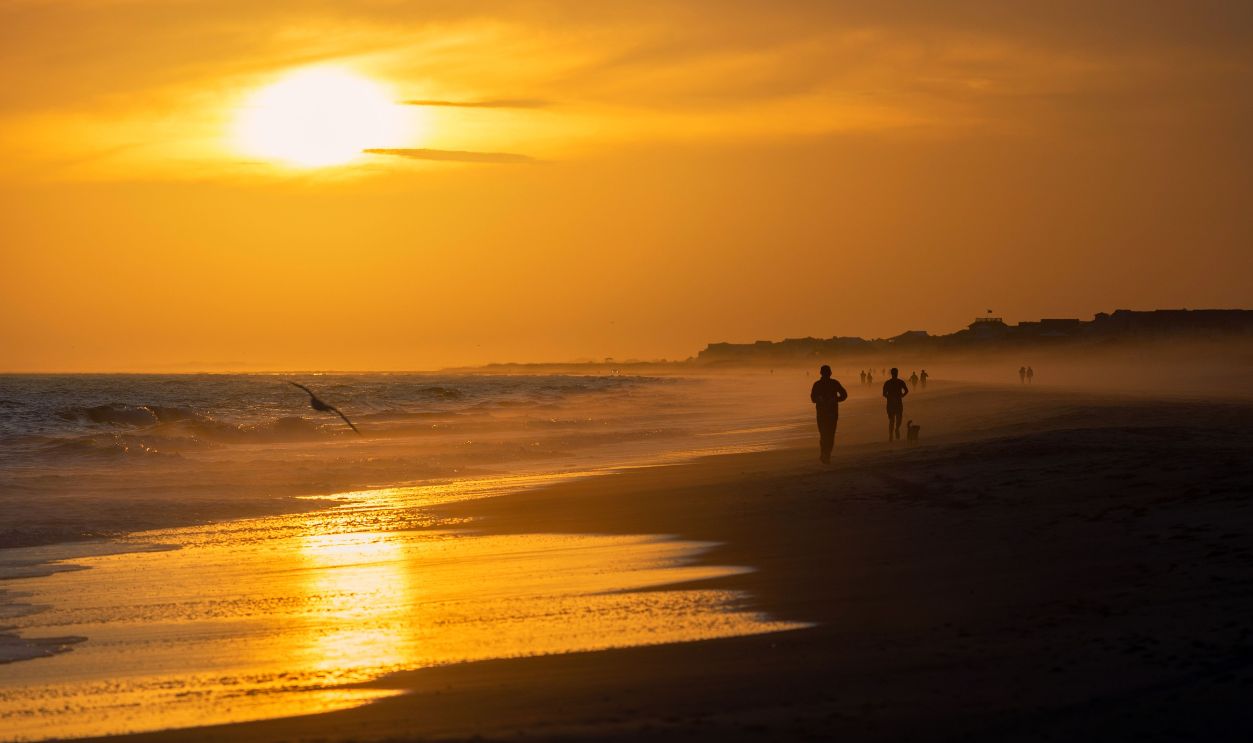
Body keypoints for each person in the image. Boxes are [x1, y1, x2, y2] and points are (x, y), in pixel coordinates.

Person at [809, 365, 848, 463]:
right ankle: (826, 454)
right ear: (830, 373)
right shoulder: (833, 383)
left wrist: (834, 399)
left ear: (821, 373)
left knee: (824, 434)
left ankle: (825, 454)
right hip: (830, 413)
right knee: (829, 435)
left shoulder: (818, 384)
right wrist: (835, 399)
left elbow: (813, 399)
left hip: (824, 414)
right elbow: (844, 395)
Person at [882, 367, 909, 441]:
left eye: (895, 373)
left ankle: (895, 431)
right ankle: (892, 433)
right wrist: (896, 397)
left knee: (895, 420)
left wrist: (901, 396)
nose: (895, 374)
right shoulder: (892, 382)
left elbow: (906, 390)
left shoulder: (895, 382)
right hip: (893, 404)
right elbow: (884, 394)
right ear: (893, 373)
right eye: (894, 373)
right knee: (894, 420)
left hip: (894, 404)